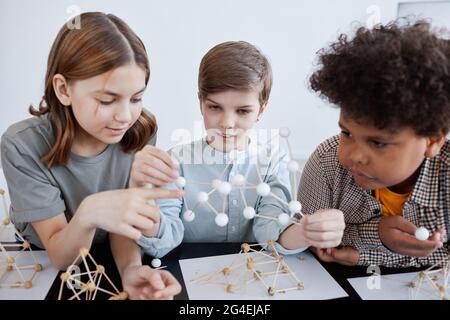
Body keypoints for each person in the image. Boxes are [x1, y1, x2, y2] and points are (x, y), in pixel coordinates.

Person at [1, 12, 181, 299]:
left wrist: (131, 271)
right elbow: (61, 256)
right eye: (107, 100)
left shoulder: (140, 130)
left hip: (110, 252)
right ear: (63, 89)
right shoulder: (22, 144)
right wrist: (90, 211)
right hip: (45, 262)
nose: (125, 116)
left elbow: (123, 224)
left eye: (136, 98)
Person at [137, 41, 345, 258]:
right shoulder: (176, 162)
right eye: (215, 107)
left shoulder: (272, 161)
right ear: (201, 103)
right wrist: (144, 205)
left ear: (261, 109)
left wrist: (307, 232)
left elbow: (272, 235)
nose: (227, 123)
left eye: (243, 111)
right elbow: (163, 242)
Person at [292, 20, 450, 267]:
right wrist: (377, 233)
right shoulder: (326, 163)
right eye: (347, 133)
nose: (355, 156)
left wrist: (367, 252)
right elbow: (307, 242)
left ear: (432, 140)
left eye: (377, 142)